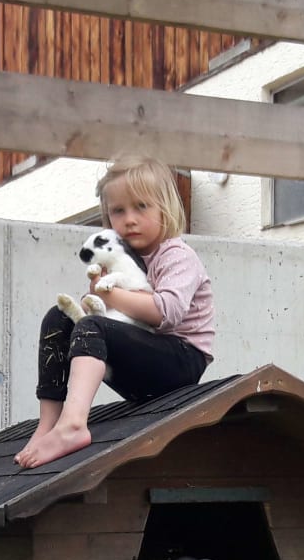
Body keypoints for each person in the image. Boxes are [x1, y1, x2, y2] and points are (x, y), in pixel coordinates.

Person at [14, 155, 215, 469]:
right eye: (118, 210)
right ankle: (48, 425)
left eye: (141, 207)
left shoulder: (176, 255)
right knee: (59, 318)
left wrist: (108, 293)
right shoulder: (119, 257)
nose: (129, 219)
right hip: (138, 365)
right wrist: (95, 301)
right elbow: (112, 315)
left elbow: (165, 312)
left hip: (180, 362)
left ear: (165, 208)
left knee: (92, 326)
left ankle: (73, 424)